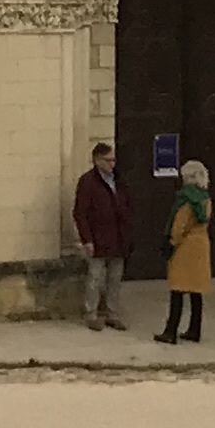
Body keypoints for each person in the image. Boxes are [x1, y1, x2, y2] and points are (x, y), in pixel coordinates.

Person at [72, 142, 130, 331]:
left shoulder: (119, 179)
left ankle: (112, 313)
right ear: (97, 160)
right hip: (98, 237)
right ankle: (91, 313)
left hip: (118, 236)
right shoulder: (88, 182)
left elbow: (127, 203)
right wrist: (87, 239)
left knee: (115, 278)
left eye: (113, 160)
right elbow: (80, 212)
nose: (112, 164)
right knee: (95, 277)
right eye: (108, 160)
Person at [156, 159, 213, 345]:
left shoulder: (186, 199)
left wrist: (171, 243)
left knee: (177, 289)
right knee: (196, 291)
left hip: (185, 247)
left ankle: (170, 331)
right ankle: (195, 329)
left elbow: (180, 225)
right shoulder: (205, 198)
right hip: (201, 244)